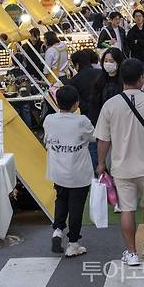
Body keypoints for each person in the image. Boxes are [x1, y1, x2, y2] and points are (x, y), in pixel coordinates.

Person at [94, 59, 144, 266]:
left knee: (127, 209)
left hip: (121, 167)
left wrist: (101, 163)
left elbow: (103, 139)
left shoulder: (110, 105)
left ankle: (131, 252)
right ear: (141, 78)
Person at [44, 85, 94, 257]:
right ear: (76, 104)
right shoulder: (82, 121)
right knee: (76, 206)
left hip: (58, 171)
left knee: (61, 199)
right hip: (78, 173)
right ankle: (73, 243)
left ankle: (57, 230)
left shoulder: (49, 120)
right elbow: (93, 137)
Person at [68, 50, 103, 118]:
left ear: (77, 65)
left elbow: (77, 99)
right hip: (103, 109)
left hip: (87, 113)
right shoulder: (101, 73)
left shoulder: (74, 80)